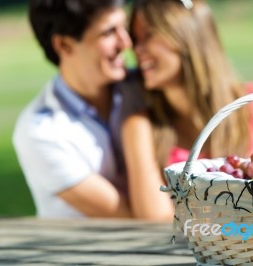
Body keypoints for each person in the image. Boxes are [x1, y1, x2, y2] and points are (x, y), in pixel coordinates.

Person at [121, 0, 253, 217]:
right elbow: (154, 221)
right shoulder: (141, 128)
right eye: (136, 39)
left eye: (148, 35)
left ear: (188, 36)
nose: (136, 49)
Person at [13, 0, 173, 221]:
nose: (126, 43)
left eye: (123, 27)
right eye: (109, 32)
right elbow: (134, 222)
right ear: (64, 45)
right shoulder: (41, 132)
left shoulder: (145, 86)